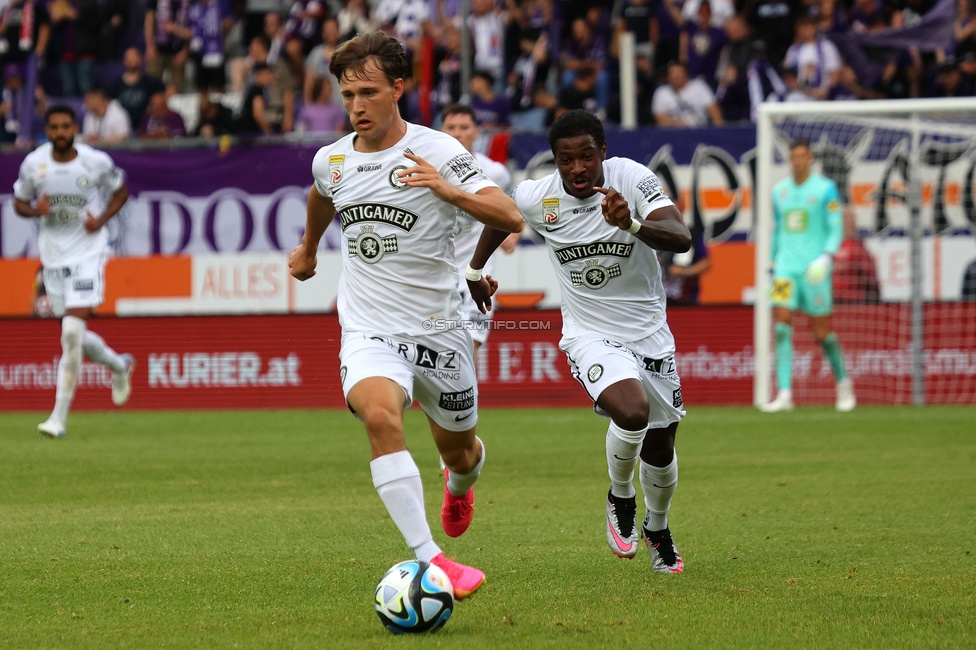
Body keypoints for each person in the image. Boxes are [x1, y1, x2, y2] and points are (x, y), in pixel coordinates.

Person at [287, 32, 522, 599]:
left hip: (442, 330)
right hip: (369, 329)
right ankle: (435, 560)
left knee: (460, 452)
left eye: (368, 92)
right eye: (347, 96)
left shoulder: (437, 151)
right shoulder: (334, 159)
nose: (356, 107)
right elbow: (322, 193)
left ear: (398, 88)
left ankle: (459, 483)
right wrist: (310, 247)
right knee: (379, 416)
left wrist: (448, 189)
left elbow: (509, 214)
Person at [466, 109, 691, 574]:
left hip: (649, 331)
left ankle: (658, 526)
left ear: (603, 153)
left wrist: (630, 224)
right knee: (631, 412)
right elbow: (504, 217)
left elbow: (681, 238)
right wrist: (473, 271)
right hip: (589, 333)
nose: (577, 168)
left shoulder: (632, 179)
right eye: (566, 160)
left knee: (661, 446)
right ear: (555, 161)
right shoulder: (538, 196)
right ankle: (619, 496)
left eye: (587, 157)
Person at [13, 104, 135, 439]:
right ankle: (119, 365)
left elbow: (121, 192)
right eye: (54, 128)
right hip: (52, 257)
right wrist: (34, 210)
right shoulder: (34, 164)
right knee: (74, 335)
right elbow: (18, 202)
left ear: (75, 128)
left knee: (70, 332)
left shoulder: (94, 161)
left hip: (88, 253)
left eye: (67, 126)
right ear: (47, 131)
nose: (61, 133)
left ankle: (58, 419)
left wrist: (102, 220)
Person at [761, 139, 856, 413]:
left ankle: (843, 382)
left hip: (814, 270)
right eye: (794, 156)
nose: (798, 161)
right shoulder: (779, 191)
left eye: (803, 156)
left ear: (810, 158)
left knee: (822, 334)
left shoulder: (825, 190)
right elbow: (778, 229)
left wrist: (826, 257)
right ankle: (785, 394)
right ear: (790, 159)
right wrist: (772, 264)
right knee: (780, 327)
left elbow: (835, 226)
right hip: (784, 269)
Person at [440, 103, 515, 361]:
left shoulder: (495, 173)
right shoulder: (429, 172)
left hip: (476, 278)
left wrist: (511, 235)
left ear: (476, 132)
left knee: (467, 353)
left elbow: (512, 213)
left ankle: (463, 400)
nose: (457, 133)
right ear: (441, 132)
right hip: (437, 276)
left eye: (464, 127)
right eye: (451, 127)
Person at [833, 206, 880, 304]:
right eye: (849, 220)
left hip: (830, 301)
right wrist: (877, 294)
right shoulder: (856, 246)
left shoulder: (824, 246)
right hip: (854, 302)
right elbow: (870, 274)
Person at [660, 228, 712, 305]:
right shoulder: (653, 231)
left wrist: (685, 271)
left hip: (684, 297)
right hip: (656, 297)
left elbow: (706, 263)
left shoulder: (692, 235)